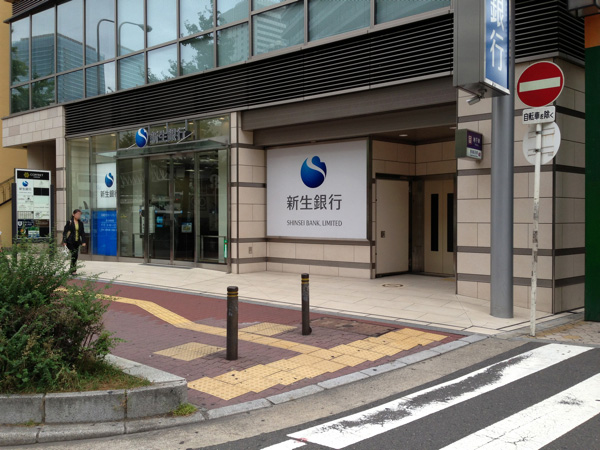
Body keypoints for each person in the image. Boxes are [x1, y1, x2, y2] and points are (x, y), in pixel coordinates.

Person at [62, 209, 86, 274]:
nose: (79, 216)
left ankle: (72, 269)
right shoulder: (69, 222)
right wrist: (64, 241)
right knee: (74, 254)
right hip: (70, 241)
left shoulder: (80, 223)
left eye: (80, 214)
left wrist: (83, 241)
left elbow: (82, 233)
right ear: (73, 214)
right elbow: (65, 232)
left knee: (75, 255)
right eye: (77, 214)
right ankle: (73, 270)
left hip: (77, 242)